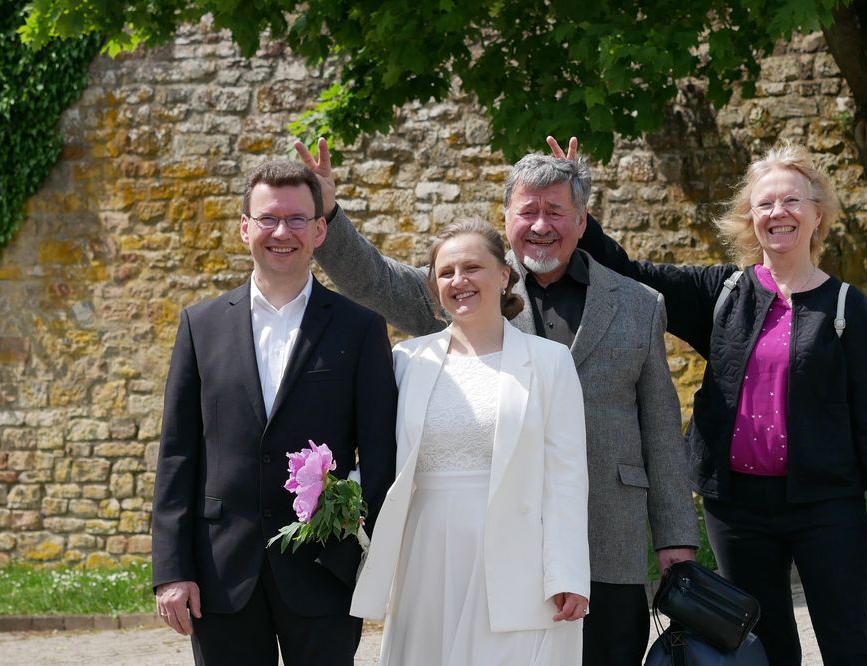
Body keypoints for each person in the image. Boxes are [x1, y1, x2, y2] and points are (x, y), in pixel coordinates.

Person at [296, 138, 700, 666]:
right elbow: (374, 279)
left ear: (583, 220)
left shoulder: (638, 305)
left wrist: (675, 538)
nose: (540, 224)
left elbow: (662, 431)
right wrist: (327, 213)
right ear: (506, 219)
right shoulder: (471, 285)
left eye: (555, 211)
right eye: (527, 211)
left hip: (609, 535)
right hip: (497, 548)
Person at [565, 137, 867, 666]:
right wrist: (574, 201)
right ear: (750, 218)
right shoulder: (723, 292)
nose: (778, 212)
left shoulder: (845, 306)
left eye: (791, 200)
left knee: (850, 646)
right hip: (739, 511)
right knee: (762, 651)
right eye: (765, 203)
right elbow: (627, 270)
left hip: (827, 504)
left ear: (817, 214)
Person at [151, 159, 397, 666]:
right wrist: (172, 570)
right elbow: (178, 454)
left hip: (325, 570)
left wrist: (356, 553)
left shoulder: (360, 328)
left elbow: (380, 456)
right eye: (268, 218)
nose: (282, 232)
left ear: (320, 230)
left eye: (297, 219)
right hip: (221, 572)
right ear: (245, 228)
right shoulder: (200, 326)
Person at [351, 219, 590, 664]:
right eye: (446, 272)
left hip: (518, 561)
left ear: (503, 275)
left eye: (472, 268)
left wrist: (569, 574)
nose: (459, 280)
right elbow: (378, 455)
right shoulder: (407, 361)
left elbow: (567, 478)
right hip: (425, 555)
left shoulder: (550, 362)